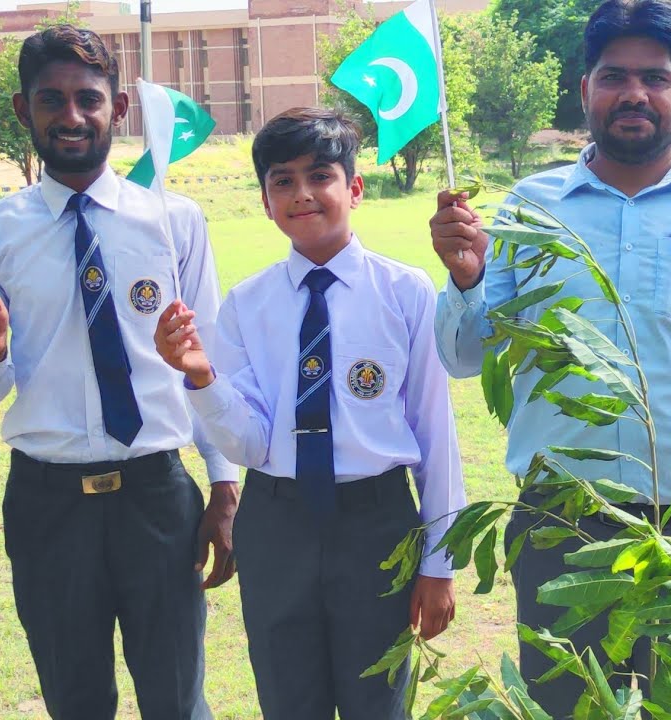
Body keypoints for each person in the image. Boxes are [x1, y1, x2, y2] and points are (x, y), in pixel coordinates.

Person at [429, 0, 671, 715]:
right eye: (613, 76)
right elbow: (463, 357)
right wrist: (466, 278)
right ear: (586, 91)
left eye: (656, 77)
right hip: (564, 530)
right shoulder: (528, 209)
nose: (634, 93)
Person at [0, 25, 237, 719]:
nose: (71, 116)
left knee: (176, 697)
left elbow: (211, 364)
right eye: (52, 100)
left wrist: (225, 487)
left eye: (89, 99)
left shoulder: (175, 222)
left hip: (156, 495)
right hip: (46, 505)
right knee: (75, 702)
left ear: (120, 108)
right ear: (25, 111)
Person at [154, 108, 465, 720]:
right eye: (282, 181)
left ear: (353, 187)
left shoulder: (404, 293)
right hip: (277, 522)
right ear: (266, 202)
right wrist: (201, 376)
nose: (302, 194)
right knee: (287, 698)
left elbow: (435, 433)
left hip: (377, 523)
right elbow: (248, 443)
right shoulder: (247, 305)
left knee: (378, 701)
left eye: (319, 175)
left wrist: (438, 562)